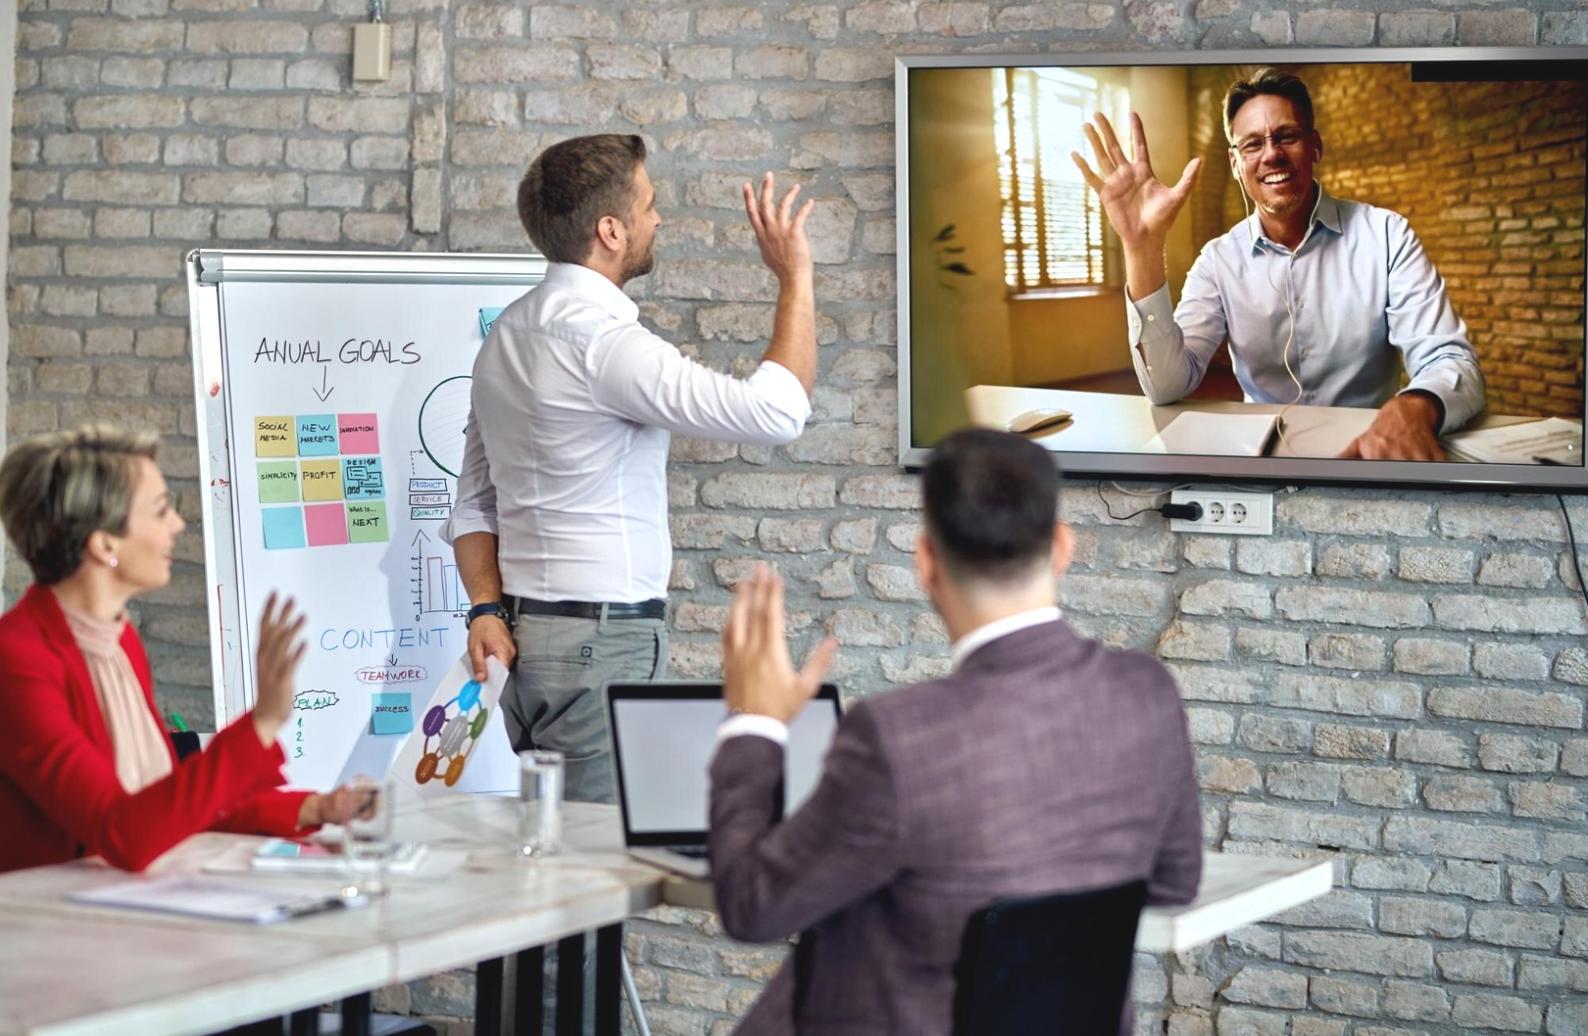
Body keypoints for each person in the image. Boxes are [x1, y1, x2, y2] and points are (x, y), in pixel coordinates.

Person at [708, 429, 1202, 1035]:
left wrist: (755, 721)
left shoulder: (897, 738)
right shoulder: (1147, 692)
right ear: (1063, 546)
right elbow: (1175, 881)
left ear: (924, 561)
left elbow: (753, 907)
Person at [443, 133, 818, 803]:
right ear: (610, 230)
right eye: (648, 205)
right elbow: (777, 413)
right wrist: (795, 279)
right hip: (599, 646)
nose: (658, 219)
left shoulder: (505, 337)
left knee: (554, 858)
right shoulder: (608, 347)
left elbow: (474, 503)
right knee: (597, 869)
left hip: (521, 645)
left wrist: (485, 608)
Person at [0, 425, 365, 873]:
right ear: (104, 543)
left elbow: (169, 802)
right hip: (52, 928)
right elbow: (123, 833)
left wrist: (317, 809)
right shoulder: (17, 660)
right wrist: (262, 723)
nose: (177, 524)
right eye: (160, 511)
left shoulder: (117, 640)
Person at [1072, 67, 1485, 461]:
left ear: (1315, 146)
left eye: (1286, 136)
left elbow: (1450, 360)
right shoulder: (1218, 261)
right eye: (1252, 144)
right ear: (1235, 163)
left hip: (1369, 455)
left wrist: (1415, 406)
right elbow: (1166, 386)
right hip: (1263, 464)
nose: (1271, 154)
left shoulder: (1386, 235)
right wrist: (1142, 247)